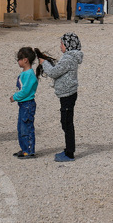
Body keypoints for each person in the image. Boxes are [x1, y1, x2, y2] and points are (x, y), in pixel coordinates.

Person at [37, 33, 83, 162]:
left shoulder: (68, 59)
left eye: (62, 44)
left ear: (68, 45)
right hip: (67, 94)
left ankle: (69, 153)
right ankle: (68, 148)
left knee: (67, 123)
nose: (60, 46)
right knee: (66, 121)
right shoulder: (69, 57)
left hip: (68, 94)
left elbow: (53, 72)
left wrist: (44, 63)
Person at [10, 47, 38, 159]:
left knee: (26, 127)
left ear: (25, 60)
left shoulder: (29, 74)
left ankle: (29, 150)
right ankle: (24, 148)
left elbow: (25, 91)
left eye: (19, 59)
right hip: (23, 105)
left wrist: (15, 97)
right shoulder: (25, 73)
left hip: (27, 104)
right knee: (21, 127)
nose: (18, 61)